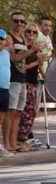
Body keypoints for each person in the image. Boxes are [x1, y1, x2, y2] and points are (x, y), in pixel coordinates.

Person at [3, 12, 40, 152]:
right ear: (11, 21)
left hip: (22, 79)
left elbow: (23, 63)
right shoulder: (9, 37)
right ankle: (7, 143)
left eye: (22, 22)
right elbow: (14, 58)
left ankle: (13, 142)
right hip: (12, 80)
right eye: (16, 21)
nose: (20, 24)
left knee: (18, 113)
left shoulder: (23, 38)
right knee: (10, 112)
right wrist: (31, 51)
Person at [18, 23, 43, 147]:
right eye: (29, 31)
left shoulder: (35, 48)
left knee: (31, 112)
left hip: (34, 83)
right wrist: (36, 60)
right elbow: (23, 66)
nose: (31, 34)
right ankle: (22, 138)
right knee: (24, 112)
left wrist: (41, 60)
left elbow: (40, 69)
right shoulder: (23, 48)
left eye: (35, 32)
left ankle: (27, 136)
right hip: (24, 81)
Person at [0, 28, 14, 157]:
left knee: (2, 119)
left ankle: (2, 146)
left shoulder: (6, 53)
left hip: (5, 89)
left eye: (1, 39)